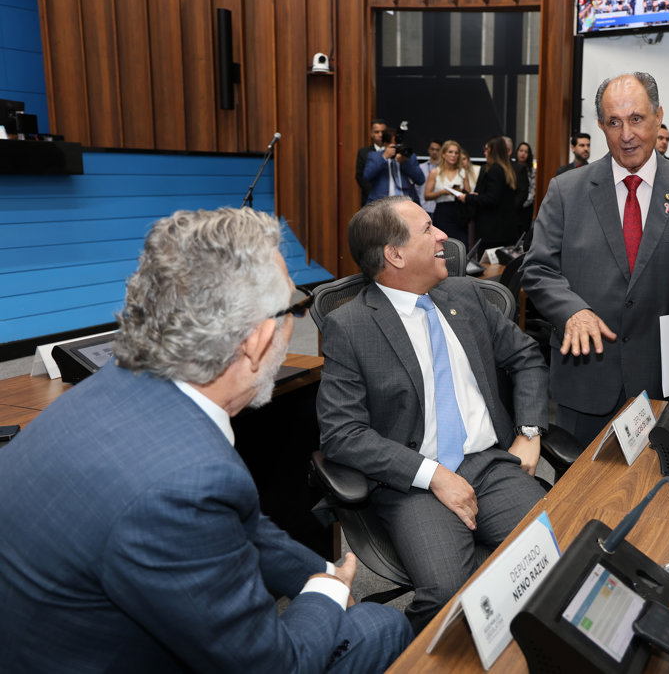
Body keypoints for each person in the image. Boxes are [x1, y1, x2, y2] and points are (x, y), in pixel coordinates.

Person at [0, 207, 412, 673]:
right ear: (257, 339)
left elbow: (240, 524)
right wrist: (328, 593)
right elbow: (275, 666)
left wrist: (316, 573)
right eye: (294, 306)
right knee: (383, 625)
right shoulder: (189, 482)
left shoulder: (115, 384)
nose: (296, 317)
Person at [317, 196, 548, 632]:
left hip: (491, 464)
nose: (444, 237)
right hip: (413, 483)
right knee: (447, 598)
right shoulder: (350, 326)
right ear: (395, 254)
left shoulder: (465, 295)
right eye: (428, 229)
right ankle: (404, 655)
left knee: (557, 552)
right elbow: (342, 433)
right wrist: (433, 475)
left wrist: (530, 431)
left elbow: (526, 358)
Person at [522, 72, 669, 446]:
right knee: (580, 484)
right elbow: (537, 268)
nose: (626, 134)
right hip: (586, 379)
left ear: (658, 117)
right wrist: (572, 311)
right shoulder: (566, 190)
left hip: (665, 381)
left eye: (636, 119)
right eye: (614, 122)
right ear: (601, 125)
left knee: (657, 482)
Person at [457, 136, 521, 249]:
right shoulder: (507, 169)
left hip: (492, 231)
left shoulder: (495, 170)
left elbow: (492, 199)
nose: (484, 152)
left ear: (493, 151)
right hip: (505, 229)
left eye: (487, 149)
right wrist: (480, 196)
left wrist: (468, 198)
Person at [424, 139, 473, 247]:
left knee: (461, 244)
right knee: (442, 244)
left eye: (456, 152)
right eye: (450, 152)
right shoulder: (435, 172)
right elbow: (427, 195)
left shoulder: (462, 172)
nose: (453, 155)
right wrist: (442, 192)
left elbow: (468, 195)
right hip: (442, 211)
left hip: (459, 212)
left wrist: (460, 192)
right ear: (443, 154)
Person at [363, 127, 425, 203]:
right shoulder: (375, 156)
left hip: (406, 202)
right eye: (394, 145)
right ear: (385, 144)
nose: (397, 147)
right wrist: (384, 157)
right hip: (382, 203)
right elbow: (367, 176)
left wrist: (405, 163)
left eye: (399, 145)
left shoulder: (408, 156)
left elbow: (420, 180)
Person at [356, 118, 387, 206]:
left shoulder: (394, 152)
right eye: (377, 132)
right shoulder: (364, 152)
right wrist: (375, 192)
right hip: (371, 199)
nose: (380, 135)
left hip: (391, 199)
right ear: (371, 134)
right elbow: (360, 176)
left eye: (383, 132)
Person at [516, 141, 537, 234]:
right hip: (514, 206)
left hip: (527, 206)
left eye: (526, 152)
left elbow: (532, 189)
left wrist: (524, 202)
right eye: (521, 151)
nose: (523, 154)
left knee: (525, 232)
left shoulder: (531, 170)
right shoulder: (511, 167)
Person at [417, 139, 443, 215]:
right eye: (432, 149)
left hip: (438, 207)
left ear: (442, 151)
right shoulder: (420, 167)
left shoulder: (444, 169)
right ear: (428, 150)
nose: (434, 152)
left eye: (437, 150)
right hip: (422, 206)